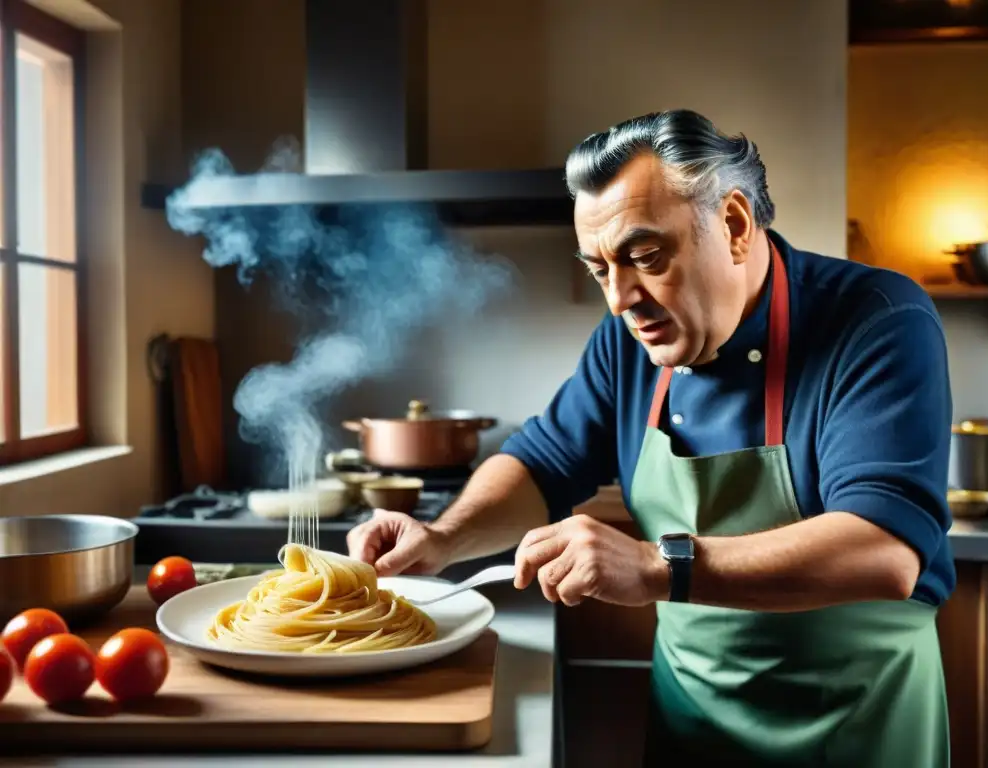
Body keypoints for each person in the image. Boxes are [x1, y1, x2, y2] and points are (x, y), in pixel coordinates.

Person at [347, 109, 954, 767]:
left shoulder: (876, 319)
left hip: (857, 727)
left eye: (643, 256)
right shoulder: (627, 343)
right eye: (600, 268)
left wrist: (652, 566)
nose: (619, 298)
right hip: (692, 724)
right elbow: (546, 462)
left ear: (734, 224)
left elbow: (883, 550)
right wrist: (444, 539)